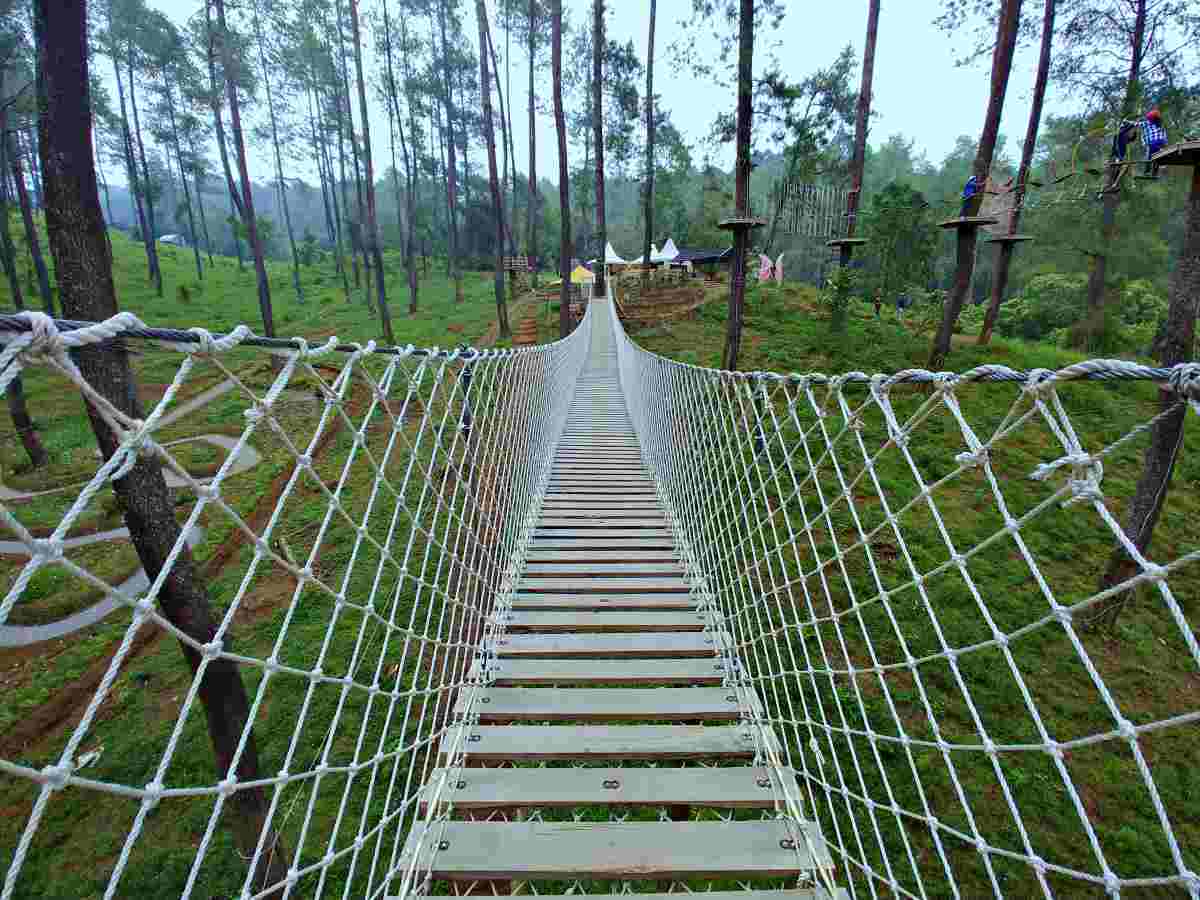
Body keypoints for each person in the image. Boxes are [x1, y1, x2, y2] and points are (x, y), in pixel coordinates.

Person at [1139, 108, 1168, 177]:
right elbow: (1164, 135)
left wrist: (1126, 122)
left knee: (1149, 157)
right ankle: (1154, 173)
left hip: (1153, 143)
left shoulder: (1148, 123)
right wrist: (1165, 144)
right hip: (1161, 143)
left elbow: (1137, 124)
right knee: (1157, 158)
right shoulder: (1160, 125)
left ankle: (1147, 172)